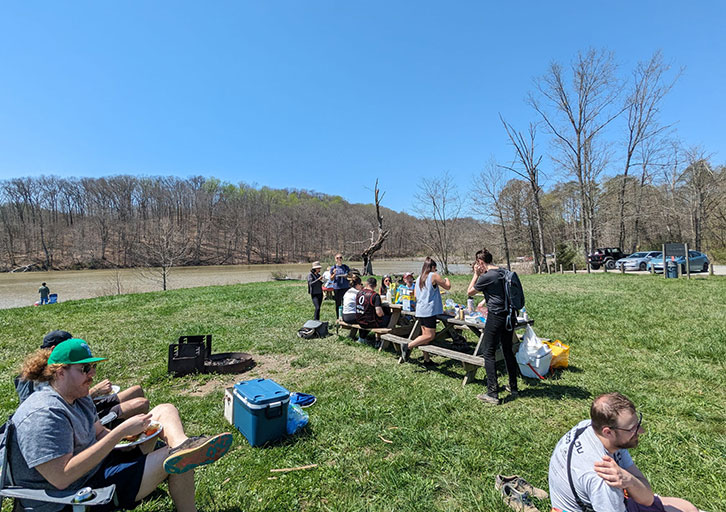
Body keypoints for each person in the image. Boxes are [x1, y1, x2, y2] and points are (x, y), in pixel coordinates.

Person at [8, 338, 233, 512]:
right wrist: (120, 432)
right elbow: (61, 478)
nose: (92, 375)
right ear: (60, 372)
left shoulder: (79, 396)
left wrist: (134, 438)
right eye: (84, 369)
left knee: (165, 411)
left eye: (93, 367)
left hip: (96, 468)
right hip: (72, 495)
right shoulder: (44, 414)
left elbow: (98, 433)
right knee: (174, 460)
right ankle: (184, 456)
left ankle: (185, 445)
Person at [549, 392, 700, 512]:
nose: (641, 431)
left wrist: (629, 480)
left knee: (687, 508)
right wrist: (631, 482)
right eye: (632, 429)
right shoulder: (604, 478)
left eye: (637, 424)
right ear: (608, 432)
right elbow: (645, 497)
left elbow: (646, 497)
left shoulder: (590, 427)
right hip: (599, 504)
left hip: (595, 502)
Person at [15, 330, 150, 423]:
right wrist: (95, 392)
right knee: (140, 403)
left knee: (136, 390)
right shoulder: (40, 379)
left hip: (83, 408)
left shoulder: (64, 372)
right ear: (54, 349)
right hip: (79, 418)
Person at [466, 248, 519, 405]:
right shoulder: (504, 272)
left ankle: (492, 393)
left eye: (477, 264)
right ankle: (513, 386)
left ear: (481, 262)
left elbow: (469, 292)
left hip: (495, 317)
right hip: (510, 316)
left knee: (488, 352)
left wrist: (476, 275)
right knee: (507, 350)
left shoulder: (487, 276)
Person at [400, 258, 450, 365]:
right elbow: (447, 287)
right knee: (430, 336)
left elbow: (416, 295)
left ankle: (427, 359)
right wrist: (446, 279)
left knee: (424, 335)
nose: (436, 270)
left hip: (420, 310)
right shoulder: (433, 275)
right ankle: (407, 346)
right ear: (432, 267)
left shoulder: (419, 278)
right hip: (429, 311)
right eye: (435, 268)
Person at [355, 277, 391, 343]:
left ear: (366, 284)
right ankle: (380, 340)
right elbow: (379, 313)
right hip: (370, 322)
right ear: (375, 286)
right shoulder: (375, 295)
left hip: (359, 320)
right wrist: (383, 314)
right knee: (390, 318)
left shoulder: (359, 293)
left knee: (365, 314)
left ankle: (362, 337)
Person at [330, 253, 351, 319]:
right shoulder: (333, 268)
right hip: (337, 287)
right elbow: (331, 278)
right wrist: (334, 273)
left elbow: (350, 275)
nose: (339, 259)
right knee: (338, 303)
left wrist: (347, 275)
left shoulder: (345, 267)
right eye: (337, 258)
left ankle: (345, 317)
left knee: (345, 303)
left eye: (340, 257)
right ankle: (338, 317)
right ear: (335, 259)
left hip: (345, 287)